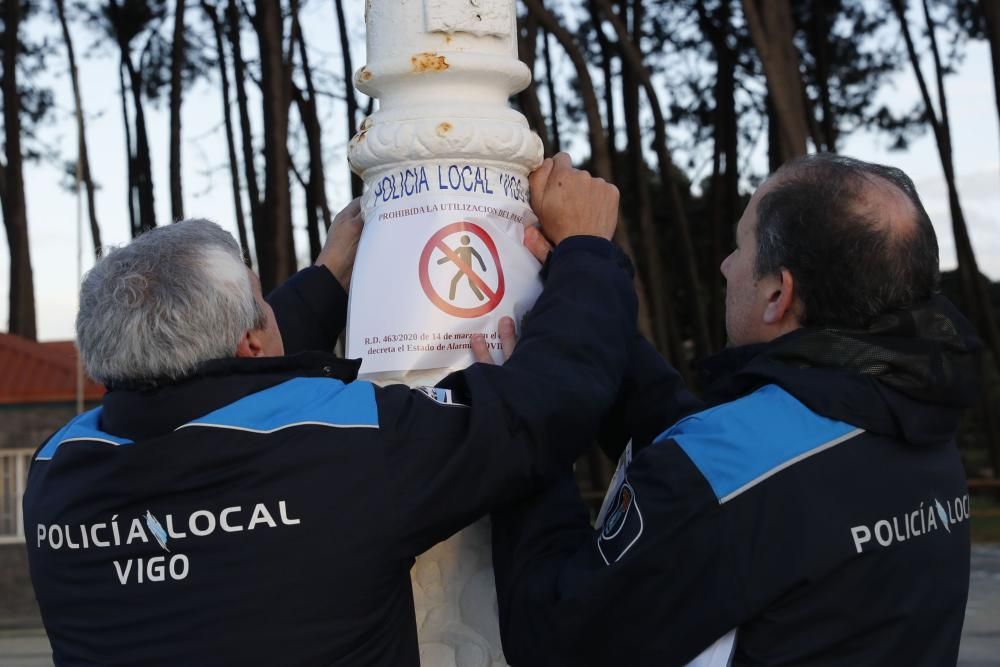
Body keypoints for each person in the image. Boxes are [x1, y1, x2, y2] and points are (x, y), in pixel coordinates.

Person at [24, 154, 636, 666]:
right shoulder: (340, 450)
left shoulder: (56, 472)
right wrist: (585, 250)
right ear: (253, 342)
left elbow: (208, 375)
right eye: (261, 306)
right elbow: (540, 407)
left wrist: (326, 277)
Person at [491, 154, 982, 666]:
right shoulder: (917, 414)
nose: (726, 265)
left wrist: (527, 421)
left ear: (777, 294)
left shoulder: (734, 473)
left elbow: (550, 633)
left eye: (740, 245)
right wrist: (588, 283)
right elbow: (713, 459)